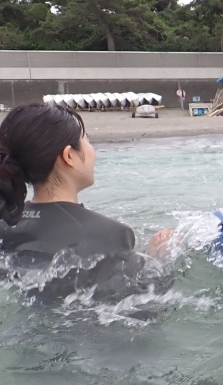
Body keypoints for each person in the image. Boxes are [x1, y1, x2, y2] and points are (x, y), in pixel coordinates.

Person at [0, 103, 172, 298]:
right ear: (69, 156)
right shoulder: (110, 234)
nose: (92, 150)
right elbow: (143, 302)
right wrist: (158, 260)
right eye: (86, 140)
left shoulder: (5, 227)